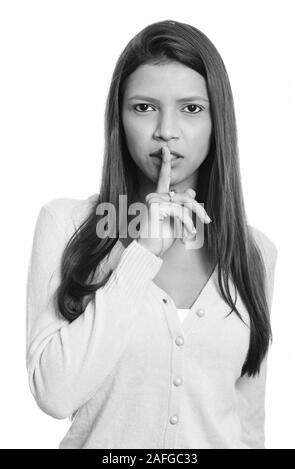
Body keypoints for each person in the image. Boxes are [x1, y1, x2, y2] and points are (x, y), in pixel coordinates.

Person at [25, 19, 278, 449]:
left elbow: (248, 421)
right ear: (118, 119)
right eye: (144, 107)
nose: (166, 130)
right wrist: (141, 253)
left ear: (219, 121)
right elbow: (54, 392)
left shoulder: (254, 252)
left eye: (191, 108)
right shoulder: (66, 225)